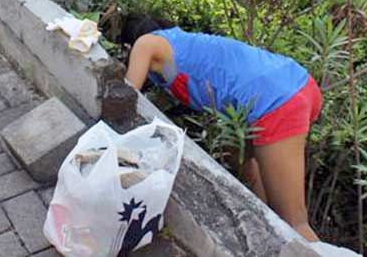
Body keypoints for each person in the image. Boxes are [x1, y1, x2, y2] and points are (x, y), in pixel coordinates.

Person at [120, 14, 322, 242]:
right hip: (294, 82)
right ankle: (264, 240)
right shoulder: (179, 41)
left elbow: (126, 96)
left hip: (276, 101)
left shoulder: (146, 43)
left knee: (294, 222)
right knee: (238, 156)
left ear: (129, 43)